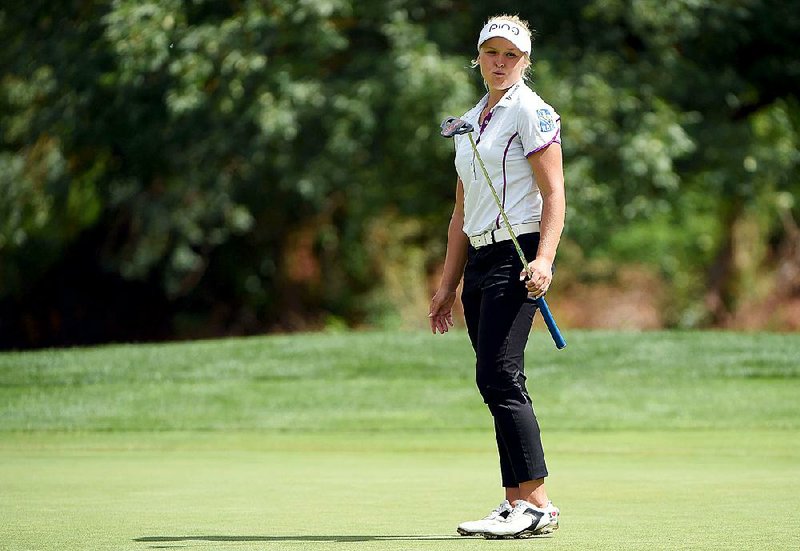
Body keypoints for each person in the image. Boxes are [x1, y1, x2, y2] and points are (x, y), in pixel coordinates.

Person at [428, 14, 566, 539]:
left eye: (511, 54)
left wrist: (545, 259)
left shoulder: (532, 112)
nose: (501, 62)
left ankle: (536, 503)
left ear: (525, 61)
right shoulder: (469, 120)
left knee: (501, 375)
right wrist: (447, 284)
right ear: (479, 57)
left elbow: (554, 194)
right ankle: (516, 504)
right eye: (493, 53)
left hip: (520, 253)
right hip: (481, 261)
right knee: (492, 377)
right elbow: (461, 212)